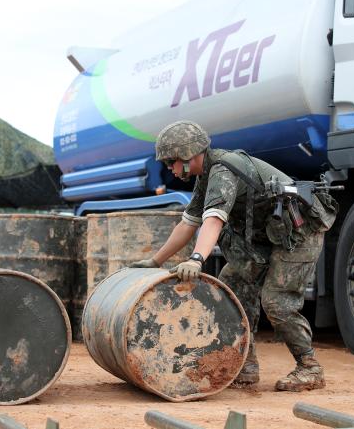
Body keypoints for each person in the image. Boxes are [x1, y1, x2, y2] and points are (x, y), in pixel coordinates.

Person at [130, 121, 337, 392]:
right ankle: (245, 366)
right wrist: (156, 261)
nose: (170, 169)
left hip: (298, 234)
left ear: (188, 154)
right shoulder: (206, 176)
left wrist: (196, 259)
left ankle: (310, 368)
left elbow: (214, 219)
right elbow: (188, 223)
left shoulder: (223, 170)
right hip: (269, 236)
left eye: (171, 163)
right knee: (232, 288)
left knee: (277, 302)